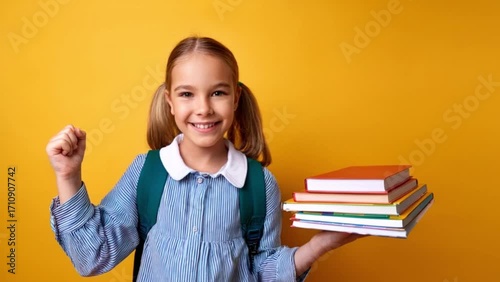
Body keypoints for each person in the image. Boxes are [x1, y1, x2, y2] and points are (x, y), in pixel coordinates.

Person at [46, 36, 363, 281]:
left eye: (218, 93)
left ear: (236, 98)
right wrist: (68, 176)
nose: (204, 108)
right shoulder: (147, 173)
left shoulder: (259, 185)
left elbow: (263, 271)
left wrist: (320, 245)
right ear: (170, 101)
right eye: (187, 94)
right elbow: (92, 257)